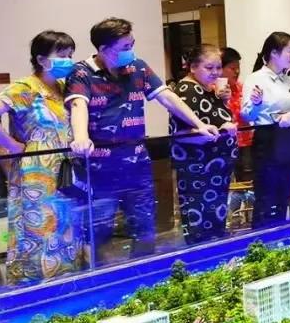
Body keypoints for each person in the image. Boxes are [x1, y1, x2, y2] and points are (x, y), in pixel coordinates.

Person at [67, 18, 218, 257]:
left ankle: (142, 275)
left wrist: (198, 124)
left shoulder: (138, 67)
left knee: (145, 229)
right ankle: (103, 277)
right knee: (98, 232)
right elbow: (78, 105)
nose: (131, 51)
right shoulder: (81, 73)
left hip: (137, 166)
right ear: (104, 49)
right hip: (98, 170)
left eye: (132, 44)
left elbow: (167, 97)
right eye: (124, 47)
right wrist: (81, 137)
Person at [0, 31, 84, 283]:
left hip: (65, 174)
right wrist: (10, 144)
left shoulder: (63, 89)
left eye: (70, 55)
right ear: (41, 59)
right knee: (36, 230)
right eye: (62, 55)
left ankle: (68, 285)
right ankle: (32, 287)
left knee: (66, 230)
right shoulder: (24, 88)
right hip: (34, 175)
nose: (68, 61)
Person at [170, 45, 238, 244]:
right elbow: (179, 133)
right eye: (209, 68)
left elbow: (218, 117)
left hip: (215, 172)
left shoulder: (210, 89)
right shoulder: (186, 90)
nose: (215, 72)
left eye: (218, 67)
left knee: (216, 224)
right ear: (193, 67)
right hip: (199, 172)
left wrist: (224, 101)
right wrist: (220, 130)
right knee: (200, 227)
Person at [242, 32, 290, 227]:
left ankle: (280, 236)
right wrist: (256, 104)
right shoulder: (255, 78)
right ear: (274, 52)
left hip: (289, 138)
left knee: (284, 195)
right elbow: (247, 115)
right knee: (266, 196)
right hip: (267, 139)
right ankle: (261, 238)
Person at [221, 47, 254, 182]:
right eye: (232, 68)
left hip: (246, 142)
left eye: (238, 68)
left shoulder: (242, 87)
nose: (237, 72)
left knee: (247, 181)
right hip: (224, 144)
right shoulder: (213, 90)